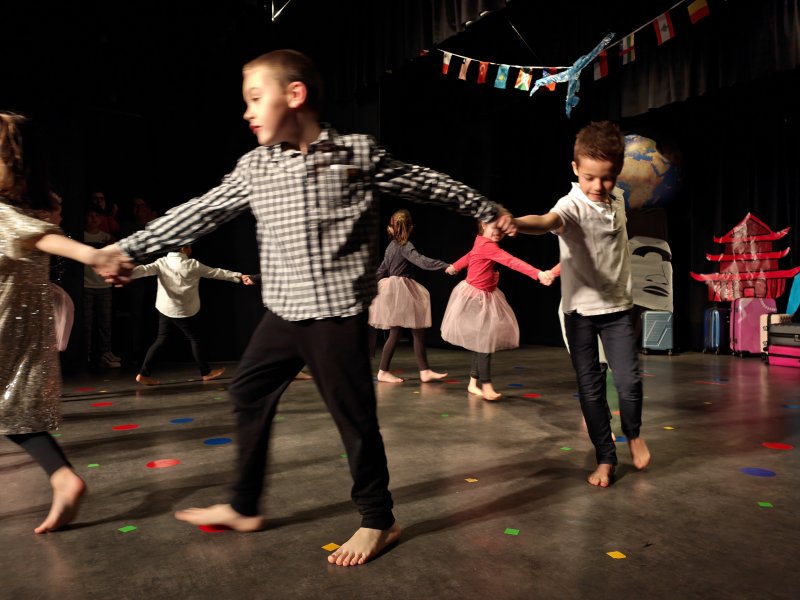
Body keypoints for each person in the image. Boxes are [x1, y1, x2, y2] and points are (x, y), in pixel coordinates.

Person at [97, 49, 517, 566]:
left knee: (353, 416)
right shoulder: (256, 167)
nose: (247, 112)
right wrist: (129, 249)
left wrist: (484, 208)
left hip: (335, 315)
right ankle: (244, 505)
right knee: (249, 390)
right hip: (283, 312)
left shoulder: (356, 154)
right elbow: (200, 212)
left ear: (294, 95)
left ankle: (379, 520)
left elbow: (424, 181)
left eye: (256, 98)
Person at [0, 111, 131, 533]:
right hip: (26, 330)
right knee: (14, 413)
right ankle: (62, 476)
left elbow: (44, 238)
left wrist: (94, 255)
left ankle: (63, 478)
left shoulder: (8, 215)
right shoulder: (40, 206)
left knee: (12, 410)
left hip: (7, 328)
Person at [514, 121, 651, 487]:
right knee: (591, 389)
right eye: (590, 177)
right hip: (580, 315)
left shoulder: (617, 199)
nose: (598, 186)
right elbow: (545, 221)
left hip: (618, 310)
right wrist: (514, 223)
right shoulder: (571, 204)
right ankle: (605, 458)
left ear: (617, 173)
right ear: (575, 168)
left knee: (628, 381)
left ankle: (633, 433)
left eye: (607, 178)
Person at [441, 220, 548, 401]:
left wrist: (455, 266)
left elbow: (470, 255)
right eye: (494, 228)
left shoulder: (481, 241)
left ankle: (473, 383)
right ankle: (486, 385)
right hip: (477, 297)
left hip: (485, 295)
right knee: (484, 341)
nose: (498, 232)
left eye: (501, 230)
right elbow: (512, 261)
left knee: (481, 341)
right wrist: (537, 273)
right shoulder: (488, 246)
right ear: (483, 224)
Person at [131, 245, 251, 385]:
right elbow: (216, 273)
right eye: (189, 247)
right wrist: (239, 276)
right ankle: (205, 372)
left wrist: (121, 272)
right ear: (183, 249)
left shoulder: (162, 263)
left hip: (165, 307)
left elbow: (143, 270)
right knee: (194, 338)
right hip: (183, 310)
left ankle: (144, 374)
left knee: (162, 339)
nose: (191, 249)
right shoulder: (193, 264)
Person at [369, 209, 451, 383]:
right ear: (409, 228)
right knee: (397, 332)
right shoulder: (405, 245)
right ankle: (383, 371)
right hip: (402, 290)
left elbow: (382, 270)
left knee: (416, 329)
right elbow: (421, 260)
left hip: (394, 290)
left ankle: (424, 370)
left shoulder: (390, 247)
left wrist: (368, 285)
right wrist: (444, 266)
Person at [83, 206, 121, 368]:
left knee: (104, 323)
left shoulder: (106, 237)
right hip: (85, 285)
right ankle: (85, 355)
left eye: (96, 215)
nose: (93, 218)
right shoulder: (81, 236)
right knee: (86, 323)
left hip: (104, 287)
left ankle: (104, 353)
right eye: (90, 215)